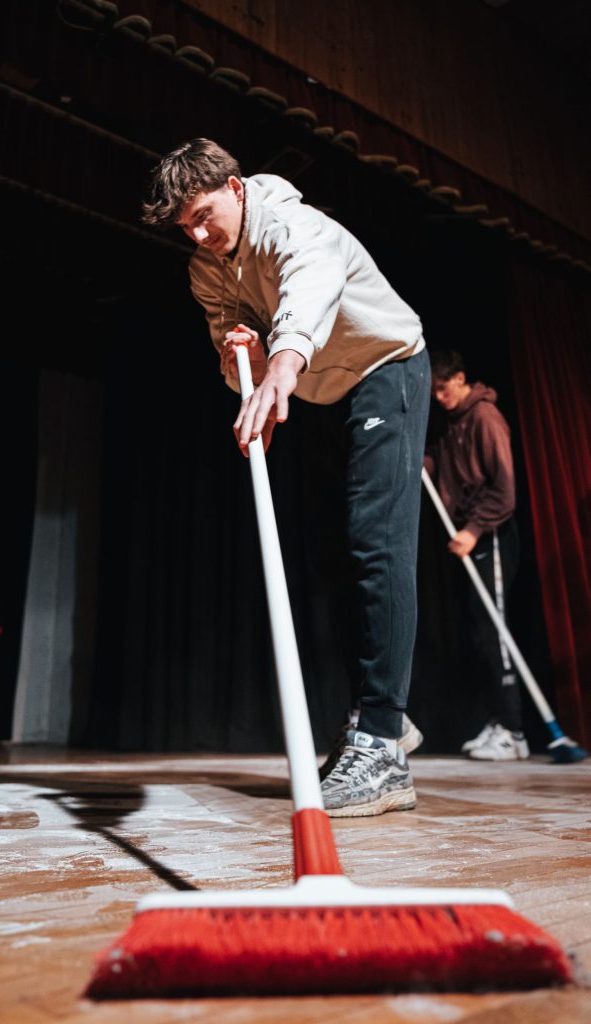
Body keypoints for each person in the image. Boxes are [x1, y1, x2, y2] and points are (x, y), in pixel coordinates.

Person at [142, 138, 431, 815]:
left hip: (385, 367)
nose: (198, 235)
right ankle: (378, 716)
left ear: (235, 188)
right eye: (185, 226)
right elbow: (229, 341)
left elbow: (310, 287)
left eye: (204, 215)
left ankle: (383, 744)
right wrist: (238, 355)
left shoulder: (295, 226)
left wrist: (280, 363)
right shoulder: (206, 267)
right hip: (322, 392)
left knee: (378, 543)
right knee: (339, 558)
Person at [426, 349, 529, 760]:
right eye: (433, 391)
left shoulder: (485, 417)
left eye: (443, 388)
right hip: (470, 535)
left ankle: (515, 731)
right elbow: (440, 468)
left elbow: (505, 490)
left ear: (461, 379)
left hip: (492, 536)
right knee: (477, 633)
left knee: (493, 631)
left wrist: (472, 531)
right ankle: (499, 721)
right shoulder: (451, 424)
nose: (438, 397)